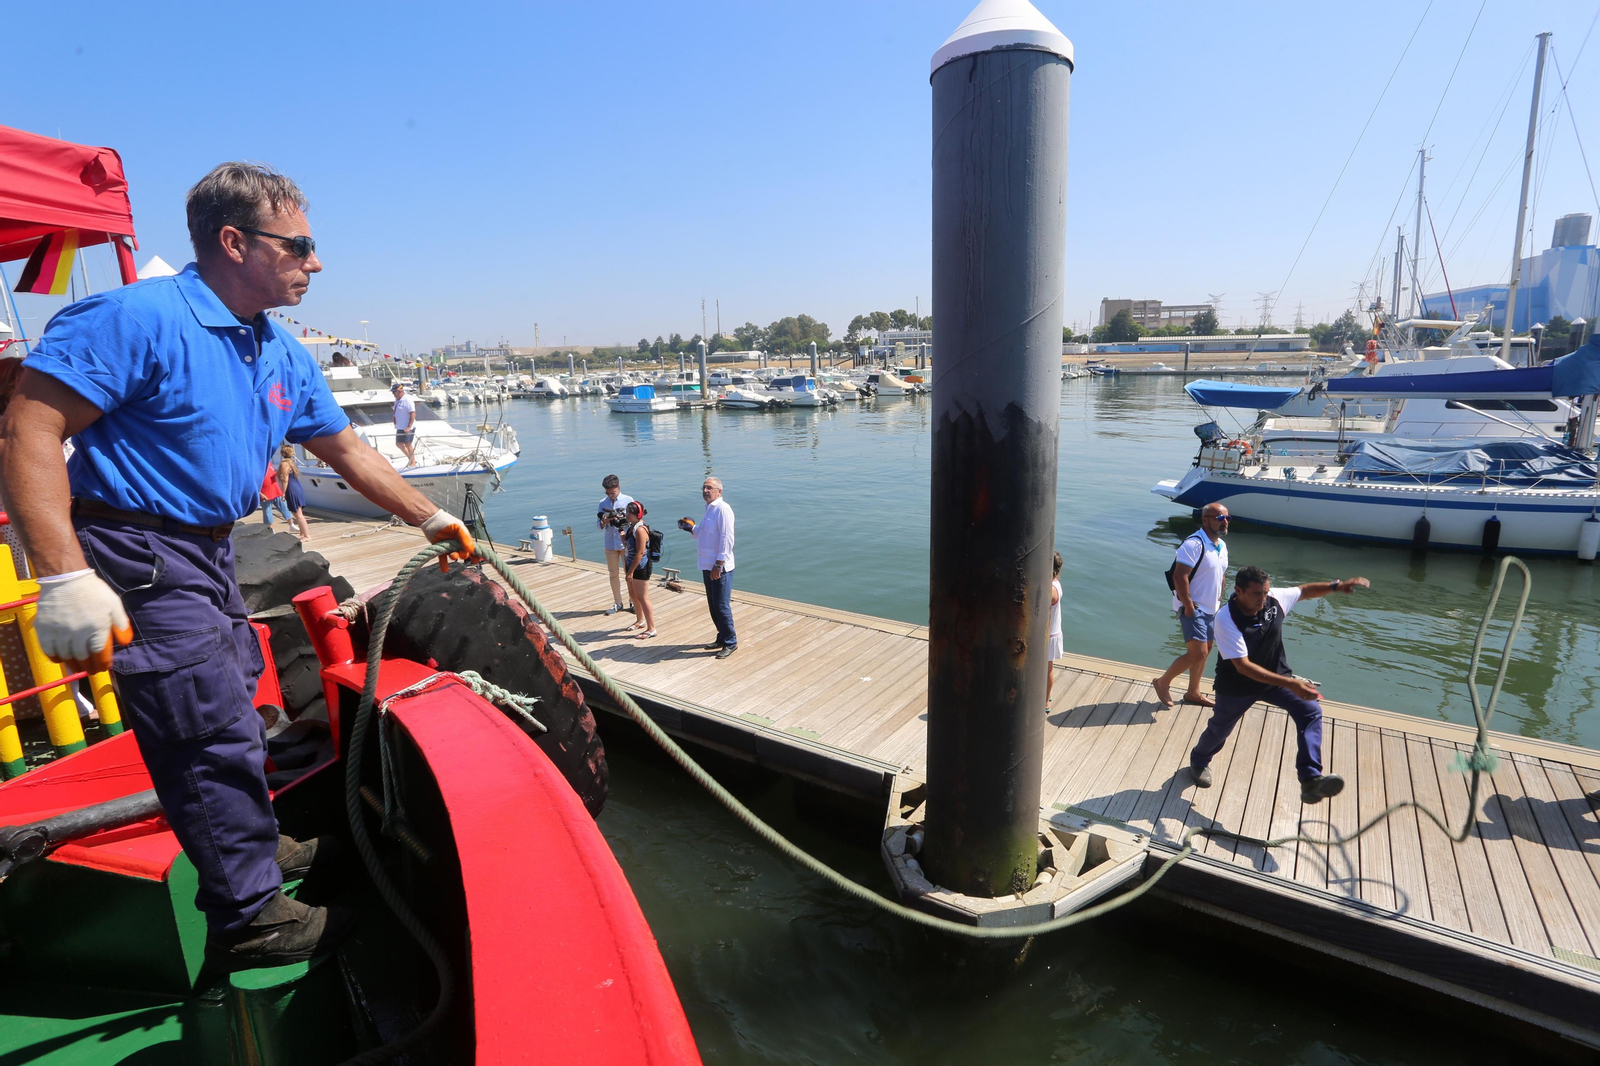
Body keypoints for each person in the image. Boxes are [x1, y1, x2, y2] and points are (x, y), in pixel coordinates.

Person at [0, 162, 479, 972]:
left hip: (208, 547)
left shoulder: (276, 348)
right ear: (234, 241)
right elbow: (28, 429)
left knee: (230, 709)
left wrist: (430, 517)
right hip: (137, 548)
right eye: (301, 244)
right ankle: (249, 916)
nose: (315, 262)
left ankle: (254, 850)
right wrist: (61, 574)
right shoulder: (135, 319)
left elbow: (346, 449)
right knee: (204, 724)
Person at [1187, 566, 1371, 804]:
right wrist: (1291, 684)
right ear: (1238, 591)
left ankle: (1310, 779)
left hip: (1275, 679)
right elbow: (1243, 666)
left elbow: (1304, 591)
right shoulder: (1225, 618)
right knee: (1219, 729)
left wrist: (1335, 586)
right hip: (1237, 686)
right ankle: (1199, 760)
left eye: (1265, 593)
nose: (1262, 600)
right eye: (1256, 595)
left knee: (1311, 711)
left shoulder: (1273, 599)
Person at [1152, 503, 1230, 709]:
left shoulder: (1221, 546)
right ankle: (1162, 683)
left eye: (1227, 518)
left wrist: (1220, 600)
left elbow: (1221, 575)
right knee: (1198, 653)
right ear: (1205, 520)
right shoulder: (1194, 544)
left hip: (1212, 608)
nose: (1225, 522)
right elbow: (1180, 575)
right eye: (1220, 518)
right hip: (1193, 607)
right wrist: (1188, 605)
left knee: (1207, 649)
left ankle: (1193, 692)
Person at [687, 476, 736, 659]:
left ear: (719, 491)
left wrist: (719, 564)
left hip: (719, 567)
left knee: (722, 606)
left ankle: (731, 641)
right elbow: (706, 533)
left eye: (709, 488)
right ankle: (721, 637)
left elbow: (727, 538)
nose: (705, 491)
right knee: (713, 605)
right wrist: (691, 528)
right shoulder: (709, 509)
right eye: (704, 488)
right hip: (707, 565)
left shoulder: (723, 509)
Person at [596, 474, 634, 615]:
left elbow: (635, 521)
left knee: (629, 574)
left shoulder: (628, 500)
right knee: (613, 574)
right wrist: (604, 521)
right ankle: (617, 602)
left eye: (613, 492)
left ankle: (633, 601)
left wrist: (622, 519)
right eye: (608, 493)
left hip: (625, 544)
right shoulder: (602, 503)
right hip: (610, 543)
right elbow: (598, 525)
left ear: (619, 487)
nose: (611, 495)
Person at [620, 501, 656, 639]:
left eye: (630, 512)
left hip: (640, 568)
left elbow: (640, 553)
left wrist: (630, 572)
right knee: (633, 595)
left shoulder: (640, 530)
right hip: (631, 565)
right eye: (627, 511)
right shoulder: (631, 527)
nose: (626, 514)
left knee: (643, 597)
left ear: (638, 515)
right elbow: (628, 545)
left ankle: (651, 628)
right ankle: (640, 620)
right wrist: (622, 536)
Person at [278, 444, 310, 541]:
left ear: (283, 453)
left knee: (298, 514)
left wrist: (283, 493)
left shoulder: (284, 464)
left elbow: (285, 480)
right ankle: (302, 533)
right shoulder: (292, 462)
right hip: (297, 487)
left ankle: (307, 535)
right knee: (296, 512)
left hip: (291, 489)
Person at [1046, 551, 1063, 712]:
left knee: (1048, 668)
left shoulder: (1050, 589)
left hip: (1049, 634)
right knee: (1048, 667)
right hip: (1055, 631)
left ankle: (1046, 701)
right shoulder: (1056, 582)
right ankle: (1047, 694)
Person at [258, 461, 292, 526]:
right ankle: (268, 528)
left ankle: (291, 524)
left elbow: (272, 473)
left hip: (275, 490)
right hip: (265, 493)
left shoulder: (269, 463)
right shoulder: (256, 468)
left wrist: (279, 473)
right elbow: (253, 483)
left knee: (284, 507)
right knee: (267, 513)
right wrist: (260, 494)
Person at [391, 382, 417, 468]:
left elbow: (412, 413)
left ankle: (412, 462)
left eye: (394, 392)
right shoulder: (397, 400)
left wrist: (409, 426)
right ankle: (411, 459)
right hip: (400, 426)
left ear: (400, 391)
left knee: (408, 444)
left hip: (408, 426)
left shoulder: (407, 400)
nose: (393, 394)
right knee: (399, 444)